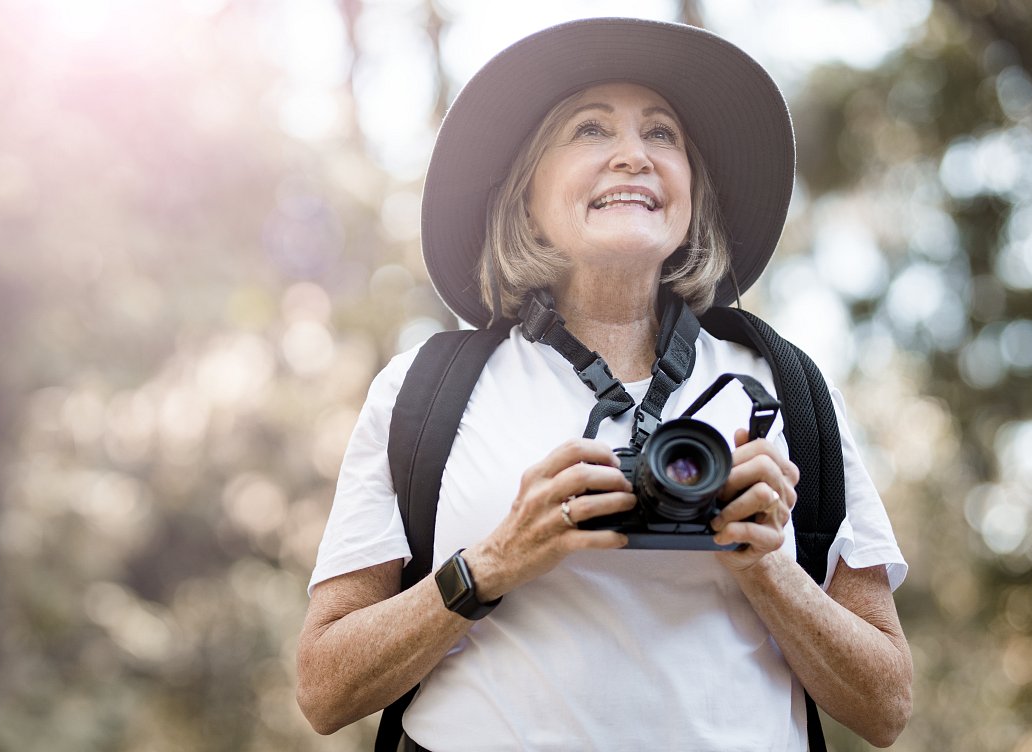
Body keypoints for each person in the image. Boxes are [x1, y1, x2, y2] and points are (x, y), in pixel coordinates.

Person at [297, 17, 912, 751]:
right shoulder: (426, 390)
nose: (633, 156)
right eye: (591, 131)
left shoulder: (785, 390)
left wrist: (770, 567)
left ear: (690, 194)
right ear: (527, 197)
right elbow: (323, 689)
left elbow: (887, 706)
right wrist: (495, 562)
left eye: (663, 135)